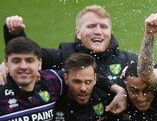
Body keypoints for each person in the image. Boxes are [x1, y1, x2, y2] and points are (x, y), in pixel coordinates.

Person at [4, 5, 137, 80]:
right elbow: (27, 56)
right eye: (91, 26)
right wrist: (15, 34)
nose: (98, 31)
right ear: (78, 32)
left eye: (103, 27)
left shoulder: (128, 60)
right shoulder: (62, 56)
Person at [0, 37, 66, 121]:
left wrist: (116, 90)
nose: (23, 66)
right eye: (16, 61)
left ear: (39, 63)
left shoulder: (53, 81)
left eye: (29, 60)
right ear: (6, 64)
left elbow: (83, 73)